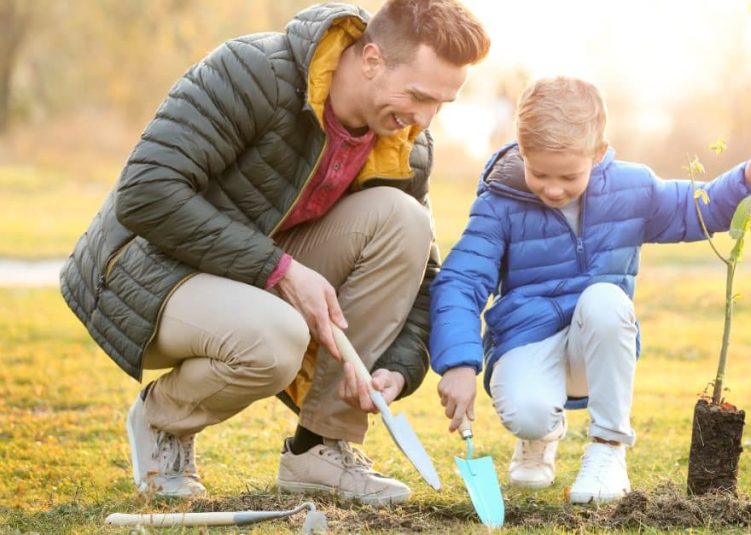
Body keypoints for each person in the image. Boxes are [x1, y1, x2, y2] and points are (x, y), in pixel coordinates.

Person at [58, 1, 489, 504]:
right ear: (371, 60)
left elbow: (421, 276)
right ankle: (162, 420)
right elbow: (146, 193)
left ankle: (320, 448)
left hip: (249, 277)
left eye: (440, 104)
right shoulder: (253, 71)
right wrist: (280, 270)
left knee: (405, 221)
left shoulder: (407, 141)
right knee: (277, 337)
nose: (424, 117)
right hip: (147, 269)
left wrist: (397, 365)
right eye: (417, 96)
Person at [430, 76, 751, 504]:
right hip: (527, 340)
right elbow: (462, 279)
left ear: (597, 153)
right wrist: (459, 363)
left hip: (595, 345)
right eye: (539, 172)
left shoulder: (630, 188)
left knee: (605, 298)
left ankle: (607, 450)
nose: (553, 188)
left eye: (568, 175)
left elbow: (695, 208)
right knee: (528, 413)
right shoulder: (500, 202)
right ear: (522, 151)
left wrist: (746, 185)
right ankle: (539, 436)